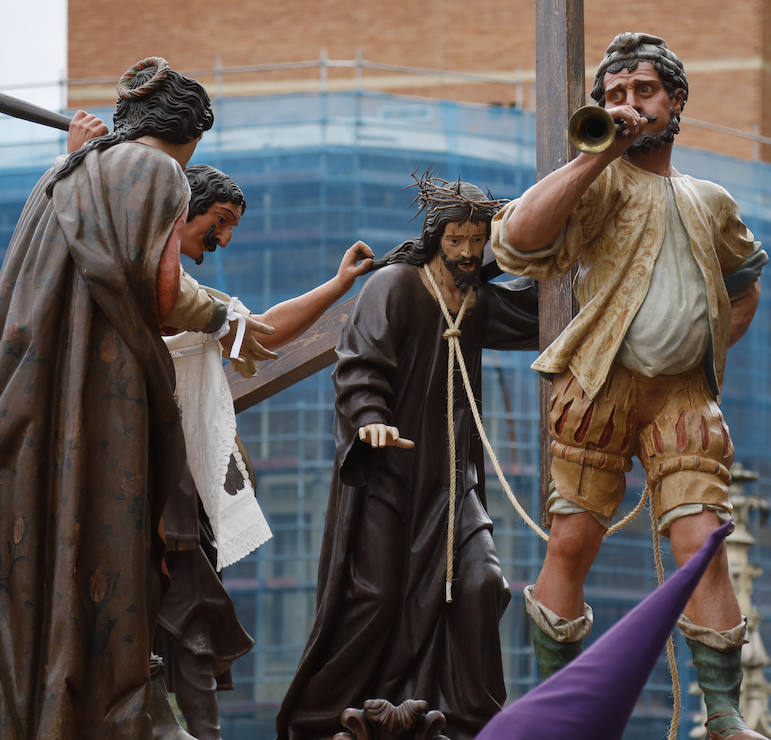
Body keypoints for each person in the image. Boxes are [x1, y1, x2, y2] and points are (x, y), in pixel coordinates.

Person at [490, 33, 769, 740]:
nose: (628, 106)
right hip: (600, 386)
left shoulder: (711, 201)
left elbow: (744, 283)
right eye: (613, 96)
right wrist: (595, 156)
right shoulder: (598, 180)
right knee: (572, 542)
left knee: (701, 544)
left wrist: (704, 347)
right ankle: (555, 707)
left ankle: (724, 714)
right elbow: (517, 241)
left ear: (675, 101)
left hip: (683, 398)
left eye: (642, 92)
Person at [275, 175, 538, 740]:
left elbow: (542, 313)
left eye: (478, 240)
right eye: (458, 239)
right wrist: (370, 419)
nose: (469, 252)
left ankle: (470, 722)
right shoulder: (395, 285)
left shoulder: (475, 300)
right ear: (435, 236)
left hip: (452, 484)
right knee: (374, 598)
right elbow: (359, 361)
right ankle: (324, 717)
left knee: (482, 584)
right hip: (389, 475)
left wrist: (561, 244)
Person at [0, 57, 213, 740]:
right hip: (103, 396)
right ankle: (113, 709)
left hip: (33, 391)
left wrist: (86, 152)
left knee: (40, 545)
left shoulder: (59, 178)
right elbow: (163, 294)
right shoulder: (158, 173)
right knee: (108, 542)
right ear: (187, 133)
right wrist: (222, 315)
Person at [155, 163, 374, 740]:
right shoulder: (127, 275)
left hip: (176, 487)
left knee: (193, 611)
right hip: (129, 476)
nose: (223, 241)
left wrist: (337, 285)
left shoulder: (192, 298)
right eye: (219, 222)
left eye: (231, 228)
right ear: (180, 210)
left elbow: (262, 331)